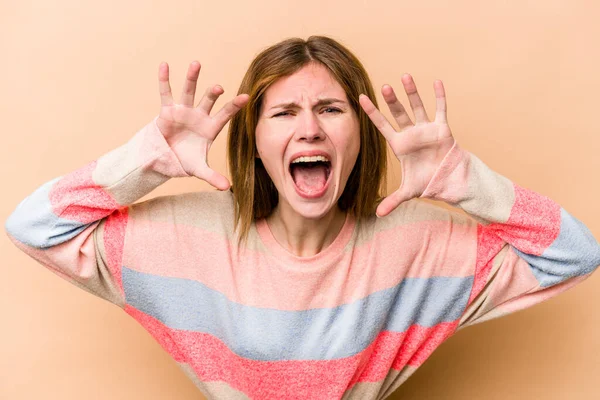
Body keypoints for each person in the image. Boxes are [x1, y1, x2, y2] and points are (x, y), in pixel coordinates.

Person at [5, 35, 600, 400]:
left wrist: (466, 181)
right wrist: (146, 160)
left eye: (330, 108)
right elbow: (33, 225)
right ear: (256, 141)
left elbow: (574, 253)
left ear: (361, 135)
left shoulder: (417, 243)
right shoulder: (184, 237)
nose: (309, 128)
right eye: (283, 112)